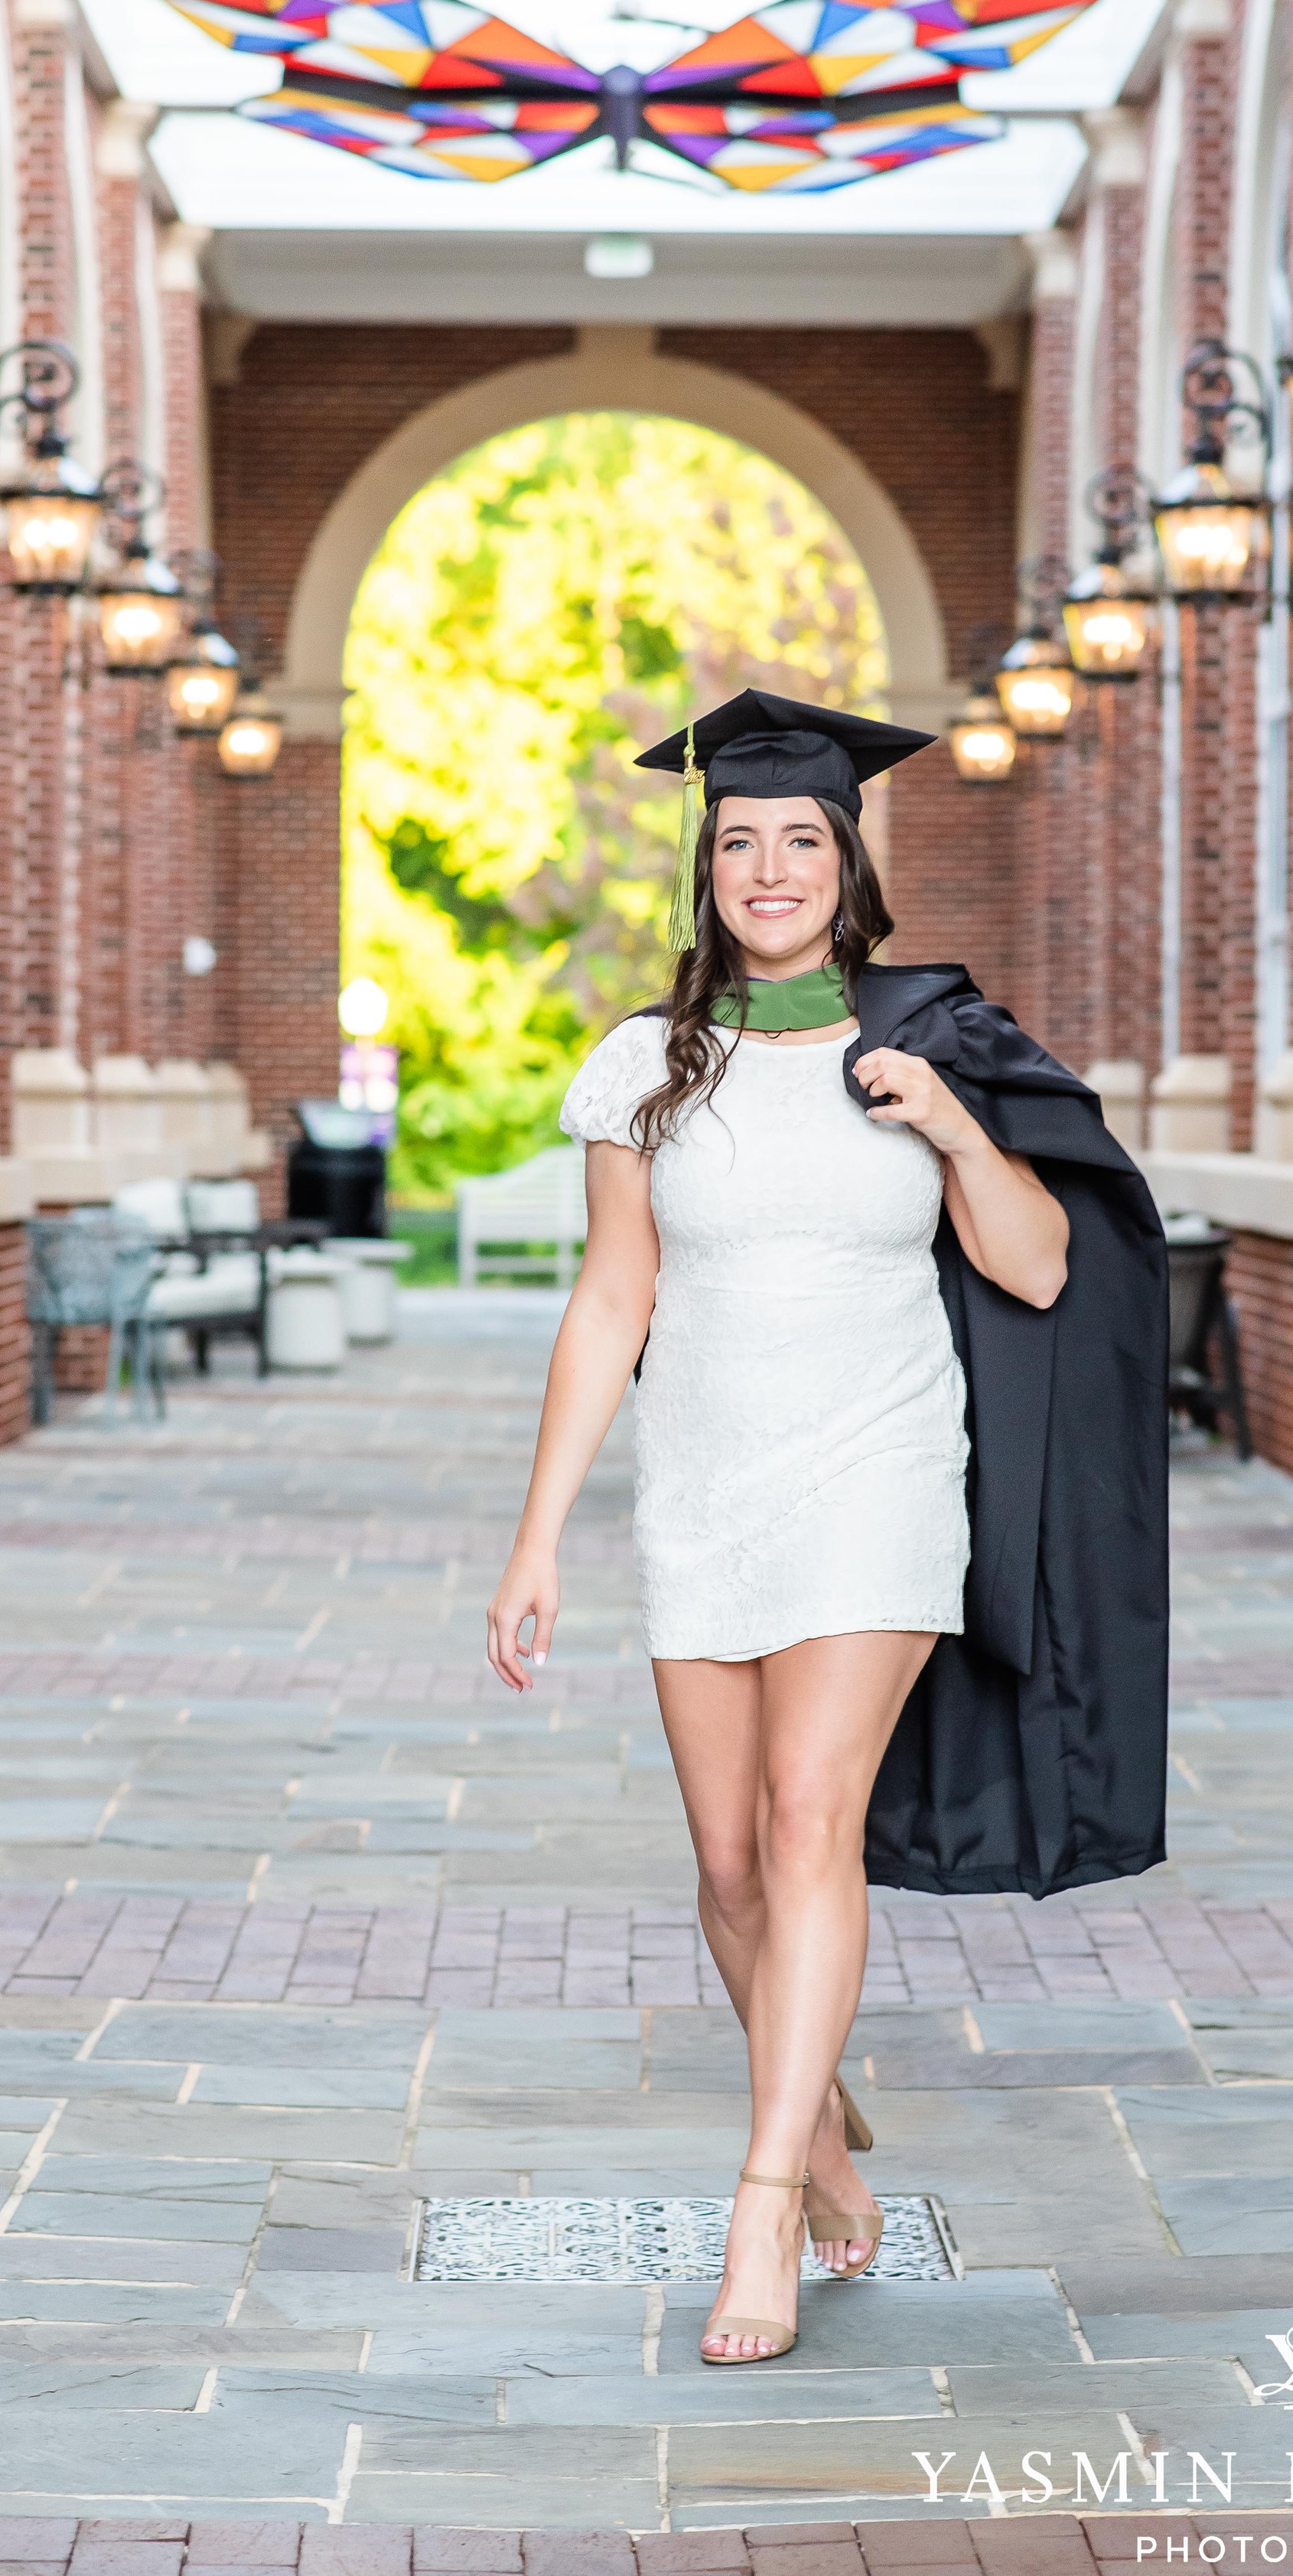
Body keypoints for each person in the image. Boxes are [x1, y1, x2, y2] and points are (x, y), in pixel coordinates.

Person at [487, 689, 1168, 2369]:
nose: (769, 867)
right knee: (725, 1868)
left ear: (846, 864)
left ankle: (764, 2197)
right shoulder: (642, 1066)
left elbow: (1034, 1266)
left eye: (801, 840)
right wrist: (536, 1536)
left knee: (808, 1826)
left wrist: (943, 1121)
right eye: (740, 842)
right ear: (706, 871)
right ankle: (832, 2130)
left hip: (876, 1478)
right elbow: (609, 1298)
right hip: (706, 1486)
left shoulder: (925, 1048)